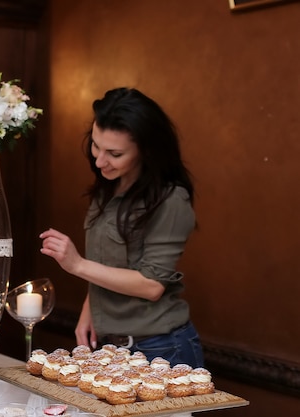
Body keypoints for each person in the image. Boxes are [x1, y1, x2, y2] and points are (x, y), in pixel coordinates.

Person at [39, 87, 204, 368]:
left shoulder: (171, 199)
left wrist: (76, 264)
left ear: (145, 150)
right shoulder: (108, 188)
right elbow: (106, 261)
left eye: (114, 153)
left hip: (159, 348)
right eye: (95, 145)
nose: (100, 161)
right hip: (109, 346)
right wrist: (89, 310)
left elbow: (152, 285)